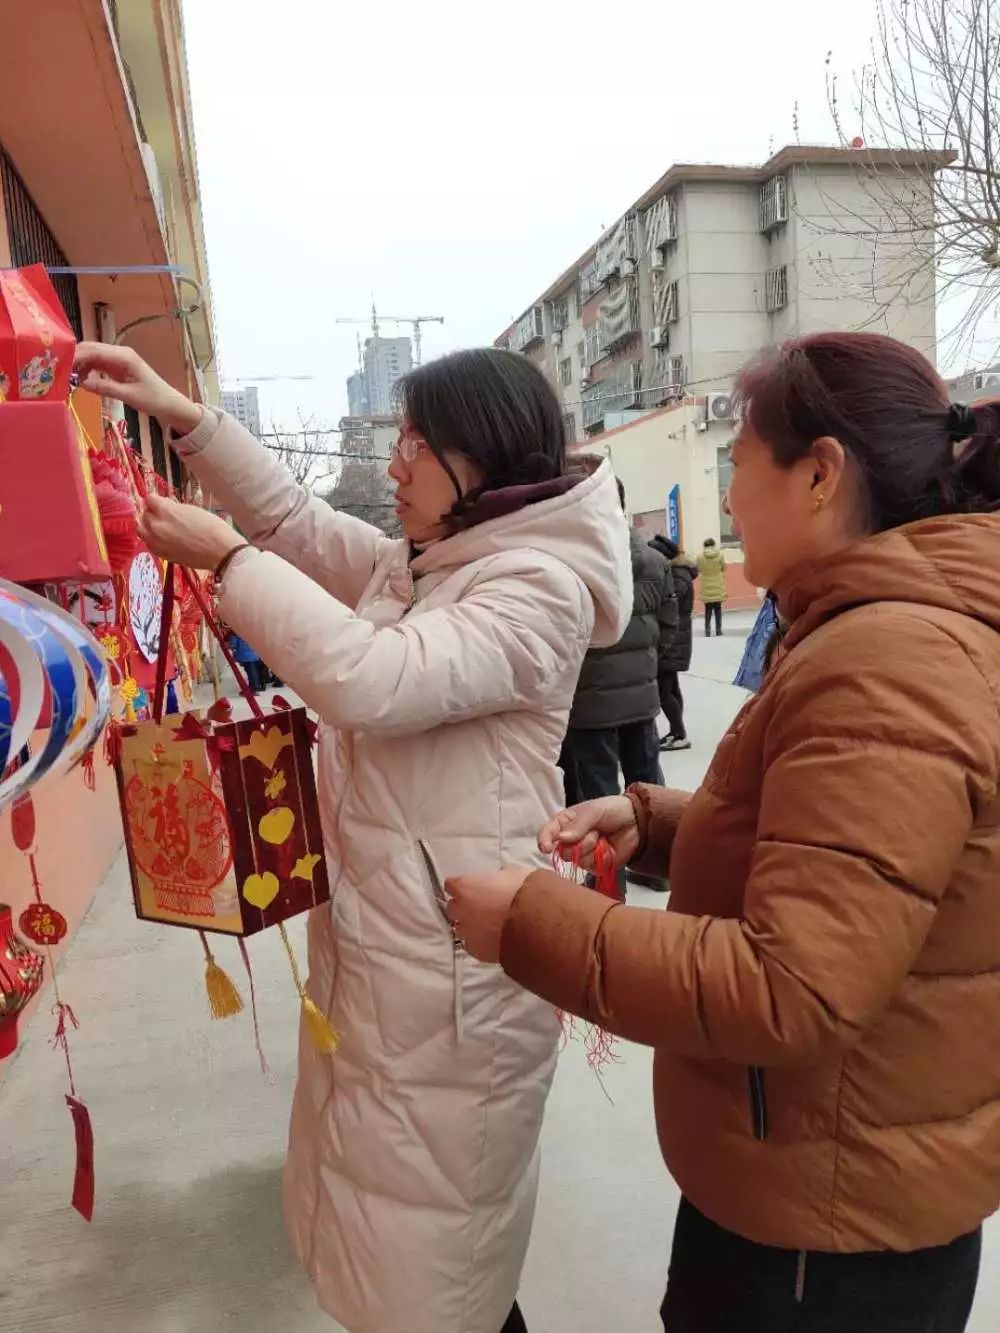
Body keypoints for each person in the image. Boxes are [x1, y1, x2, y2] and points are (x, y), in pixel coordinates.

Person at [447, 330, 1000, 1332]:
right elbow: (867, 864)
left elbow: (797, 986)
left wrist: (529, 922)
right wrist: (657, 823)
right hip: (837, 1192)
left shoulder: (886, 656)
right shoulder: (873, 628)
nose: (731, 495)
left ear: (820, 474)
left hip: (823, 1244)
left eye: (737, 463)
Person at [74, 341, 631, 1333]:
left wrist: (230, 563)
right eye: (399, 438)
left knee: (439, 1259)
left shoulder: (534, 587)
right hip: (390, 958)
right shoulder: (421, 565)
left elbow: (375, 682)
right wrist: (181, 416)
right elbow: (292, 522)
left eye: (418, 443)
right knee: (386, 1229)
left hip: (456, 977)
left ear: (484, 459)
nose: (396, 464)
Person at [558, 478, 668, 809]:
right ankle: (658, 858)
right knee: (649, 789)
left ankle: (609, 863)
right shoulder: (653, 560)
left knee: (598, 795)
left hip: (590, 701)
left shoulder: (568, 563)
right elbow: (668, 625)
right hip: (641, 696)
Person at [648, 535, 695, 750]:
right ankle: (676, 731)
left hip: (673, 639)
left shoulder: (677, 576)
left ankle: (680, 734)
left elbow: (668, 604)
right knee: (671, 688)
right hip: (676, 637)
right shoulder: (678, 573)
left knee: (664, 691)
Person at [697, 536, 727, 635]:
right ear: (714, 545)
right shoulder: (720, 555)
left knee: (708, 609)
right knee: (718, 609)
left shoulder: (700, 557)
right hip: (718, 583)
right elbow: (724, 567)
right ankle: (718, 630)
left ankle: (707, 630)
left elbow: (698, 569)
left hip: (706, 585)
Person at [225, 629, 268, 693]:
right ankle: (255, 687)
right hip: (254, 653)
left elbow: (232, 645)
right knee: (254, 671)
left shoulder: (235, 632)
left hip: (245, 655)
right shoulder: (250, 629)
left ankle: (254, 688)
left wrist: (228, 646)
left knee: (250, 672)